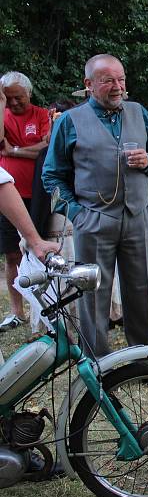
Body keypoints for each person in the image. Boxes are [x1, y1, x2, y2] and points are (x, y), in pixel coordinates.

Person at [42, 54, 148, 359]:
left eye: (122, 79)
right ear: (88, 84)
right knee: (93, 294)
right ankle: (97, 361)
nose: (118, 87)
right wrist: (76, 213)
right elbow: (52, 175)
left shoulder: (139, 113)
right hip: (94, 220)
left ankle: (146, 360)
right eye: (108, 80)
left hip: (138, 215)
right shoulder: (70, 121)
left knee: (141, 291)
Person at [0, 72, 51, 332]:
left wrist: (13, 151)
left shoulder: (42, 115)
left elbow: (45, 148)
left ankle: (41, 309)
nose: (14, 103)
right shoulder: (3, 115)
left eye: (18, 97)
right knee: (12, 254)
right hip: (7, 196)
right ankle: (16, 311)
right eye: (7, 99)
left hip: (37, 195)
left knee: (40, 252)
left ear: (29, 93)